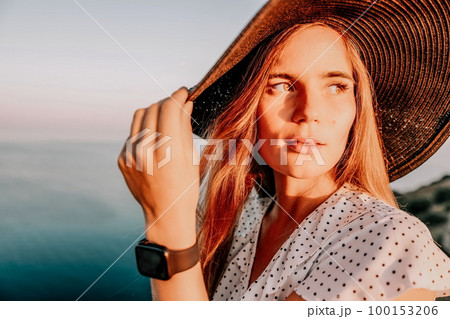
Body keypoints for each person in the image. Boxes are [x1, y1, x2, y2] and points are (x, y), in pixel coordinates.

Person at [118, 1, 450, 301]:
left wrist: (168, 222)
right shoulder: (245, 216)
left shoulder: (387, 241)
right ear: (247, 109)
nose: (309, 111)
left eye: (336, 86)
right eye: (281, 86)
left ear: (357, 109)